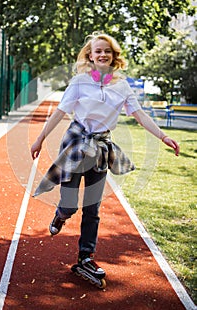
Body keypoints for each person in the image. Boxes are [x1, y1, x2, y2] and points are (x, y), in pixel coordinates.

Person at [31, 32, 180, 281]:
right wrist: (39, 139)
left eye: (107, 51)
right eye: (98, 51)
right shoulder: (79, 81)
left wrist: (163, 137)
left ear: (113, 56)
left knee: (93, 208)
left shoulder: (121, 86)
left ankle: (86, 258)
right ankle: (61, 214)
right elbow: (60, 112)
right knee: (69, 204)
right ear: (90, 55)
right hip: (76, 142)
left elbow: (140, 115)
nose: (102, 54)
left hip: (101, 147)